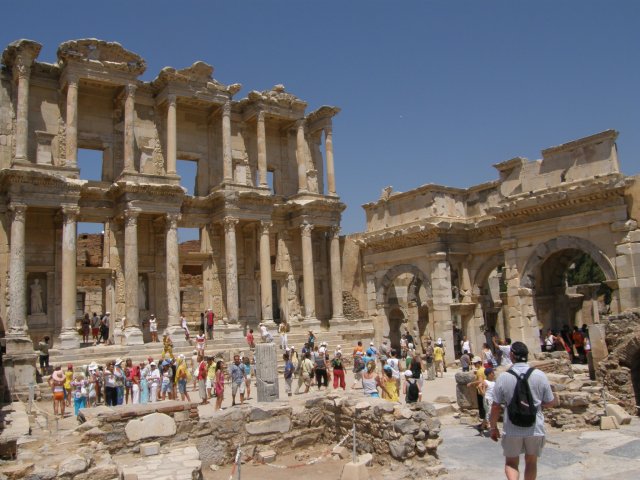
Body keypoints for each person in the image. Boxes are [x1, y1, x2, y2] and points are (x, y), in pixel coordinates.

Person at [490, 341, 557, 480]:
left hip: (512, 427)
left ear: (512, 355)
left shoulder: (503, 376)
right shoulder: (540, 375)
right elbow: (551, 402)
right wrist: (536, 405)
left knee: (511, 462)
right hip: (535, 426)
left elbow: (495, 406)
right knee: (531, 461)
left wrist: (493, 427)